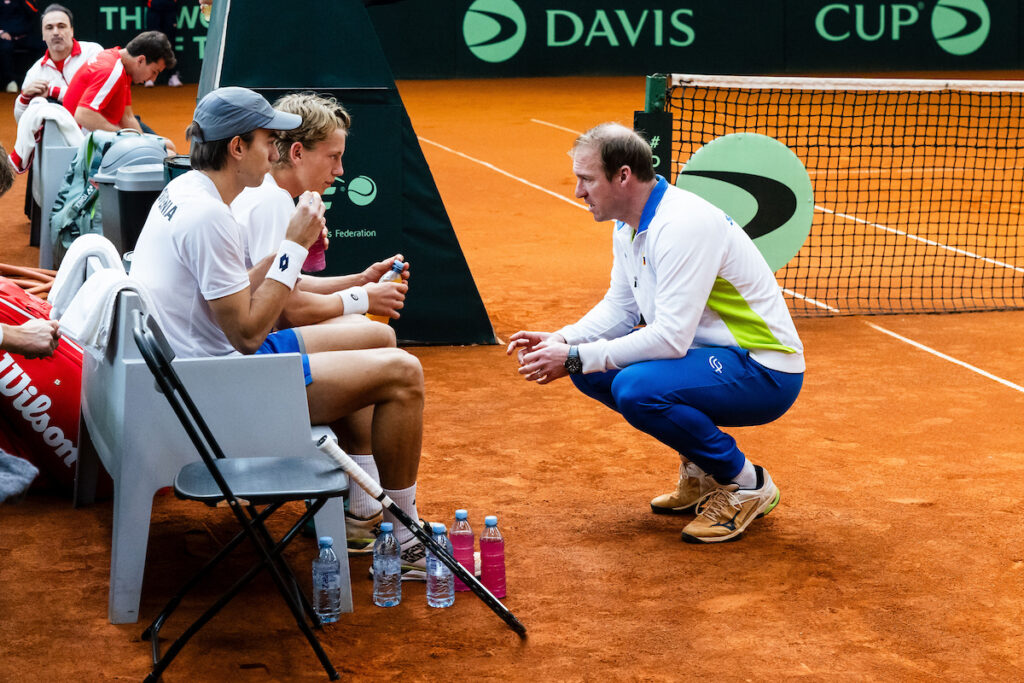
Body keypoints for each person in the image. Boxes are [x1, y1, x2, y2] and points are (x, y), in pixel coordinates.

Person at [130, 86, 432, 577]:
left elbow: (237, 290)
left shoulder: (186, 193)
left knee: (375, 345)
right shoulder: (209, 215)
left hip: (195, 377)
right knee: (403, 372)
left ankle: (363, 513)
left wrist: (297, 263)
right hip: (220, 395)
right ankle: (406, 537)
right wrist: (293, 248)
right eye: (269, 141)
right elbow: (250, 334)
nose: (275, 154)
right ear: (237, 147)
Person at [508, 122, 804, 544]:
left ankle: (747, 484)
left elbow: (670, 339)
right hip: (707, 359)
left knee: (634, 387)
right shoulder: (628, 223)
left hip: (763, 368)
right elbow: (621, 308)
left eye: (587, 179)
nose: (578, 192)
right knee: (590, 370)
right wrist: (564, 340)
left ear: (623, 176)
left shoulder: (683, 225)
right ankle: (704, 471)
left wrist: (575, 356)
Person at [231, 92, 408, 331]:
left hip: (234, 333)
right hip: (242, 342)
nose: (340, 170)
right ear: (297, 153)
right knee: (376, 332)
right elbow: (288, 312)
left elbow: (285, 285)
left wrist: (362, 280)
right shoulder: (273, 200)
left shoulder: (266, 191)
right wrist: (363, 297)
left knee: (369, 330)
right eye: (333, 157)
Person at [61, 30, 174, 136]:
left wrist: (142, 141)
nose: (153, 79)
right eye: (154, 72)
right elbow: (83, 115)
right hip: (79, 140)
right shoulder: (112, 71)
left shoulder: (121, 66)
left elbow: (127, 117)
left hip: (87, 134)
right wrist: (122, 137)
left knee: (165, 146)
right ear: (140, 60)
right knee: (164, 149)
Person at [14, 3, 102, 122]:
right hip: (58, 131)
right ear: (43, 35)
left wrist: (54, 92)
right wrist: (24, 98)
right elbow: (23, 122)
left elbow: (97, 99)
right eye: (49, 28)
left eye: (61, 26)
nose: (55, 32)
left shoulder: (94, 53)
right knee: (38, 103)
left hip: (94, 128)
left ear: (71, 31)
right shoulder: (34, 73)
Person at [0, 0, 43, 93]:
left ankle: (38, 78)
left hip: (23, 37)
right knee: (5, 48)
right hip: (4, 38)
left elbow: (34, 10)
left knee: (42, 45)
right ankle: (10, 81)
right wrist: (1, 32)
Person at [144, 0, 181, 87]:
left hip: (170, 9)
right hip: (154, 9)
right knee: (152, 44)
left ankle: (172, 75)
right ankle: (149, 76)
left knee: (170, 44)